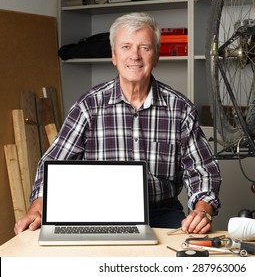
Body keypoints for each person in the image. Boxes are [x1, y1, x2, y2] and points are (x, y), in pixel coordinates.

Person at [14, 12, 221, 235]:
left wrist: (202, 210)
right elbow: (53, 162)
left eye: (145, 47)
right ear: (114, 56)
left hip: (162, 213)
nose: (135, 56)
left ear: (157, 56)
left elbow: (202, 171)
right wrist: (38, 206)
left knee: (183, 261)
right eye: (126, 47)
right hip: (97, 212)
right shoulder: (89, 105)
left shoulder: (180, 109)